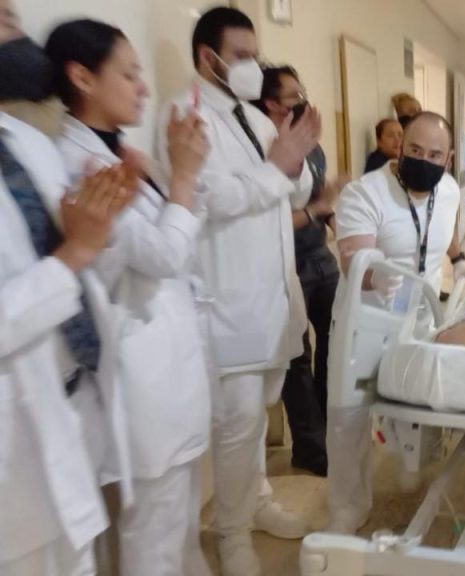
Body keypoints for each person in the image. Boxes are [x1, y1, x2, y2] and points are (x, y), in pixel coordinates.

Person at [47, 18, 213, 575]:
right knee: (154, 537)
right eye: (129, 74)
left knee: (179, 525)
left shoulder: (119, 155)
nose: (144, 88)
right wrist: (183, 176)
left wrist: (171, 178)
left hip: (169, 363)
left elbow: (180, 235)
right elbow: (163, 255)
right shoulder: (81, 167)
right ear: (82, 78)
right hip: (142, 370)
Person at [158, 7, 321, 575]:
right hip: (227, 303)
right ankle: (231, 535)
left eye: (257, 53)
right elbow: (211, 199)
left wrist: (293, 157)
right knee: (236, 425)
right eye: (243, 56)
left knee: (257, 419)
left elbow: (295, 189)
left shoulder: (254, 117)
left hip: (272, 296)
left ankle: (258, 502)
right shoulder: (185, 116)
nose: (256, 65)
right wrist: (279, 166)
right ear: (209, 58)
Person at [0, 5, 135, 572]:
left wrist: (95, 228)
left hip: (72, 401)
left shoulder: (25, 141)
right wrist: (75, 251)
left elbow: (81, 255)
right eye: (3, 21)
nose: (19, 36)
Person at [328, 111, 465, 534]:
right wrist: (375, 275)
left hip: (421, 316)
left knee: (413, 399)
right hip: (367, 321)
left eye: (434, 155)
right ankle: (347, 508)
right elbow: (353, 259)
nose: (423, 160)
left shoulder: (449, 190)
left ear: (448, 159)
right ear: (400, 148)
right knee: (349, 416)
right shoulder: (365, 193)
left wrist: (459, 259)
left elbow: (445, 233)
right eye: (415, 150)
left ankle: (411, 459)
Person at [254, 65, 348, 477]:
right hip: (282, 262)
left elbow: (320, 199)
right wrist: (316, 210)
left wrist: (335, 221)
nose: (302, 100)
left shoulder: (312, 147)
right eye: (293, 95)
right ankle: (310, 446)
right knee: (297, 356)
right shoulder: (261, 148)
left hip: (319, 255)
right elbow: (268, 219)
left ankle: (331, 426)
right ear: (271, 103)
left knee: (337, 337)